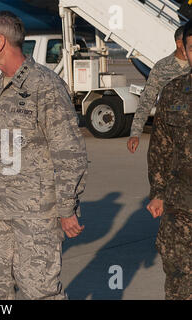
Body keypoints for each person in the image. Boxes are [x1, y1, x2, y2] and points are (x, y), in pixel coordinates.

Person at [0, 11, 88, 300]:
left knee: (40, 292)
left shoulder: (45, 86)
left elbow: (69, 151)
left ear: (0, 42)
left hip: (35, 214)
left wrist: (66, 208)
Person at [146, 20, 192, 300]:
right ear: (185, 52)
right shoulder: (173, 92)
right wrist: (158, 192)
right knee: (178, 282)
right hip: (180, 206)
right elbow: (160, 148)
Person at [127, 25, 190, 153]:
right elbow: (146, 100)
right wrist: (135, 133)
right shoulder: (162, 67)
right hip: (169, 135)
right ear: (179, 43)